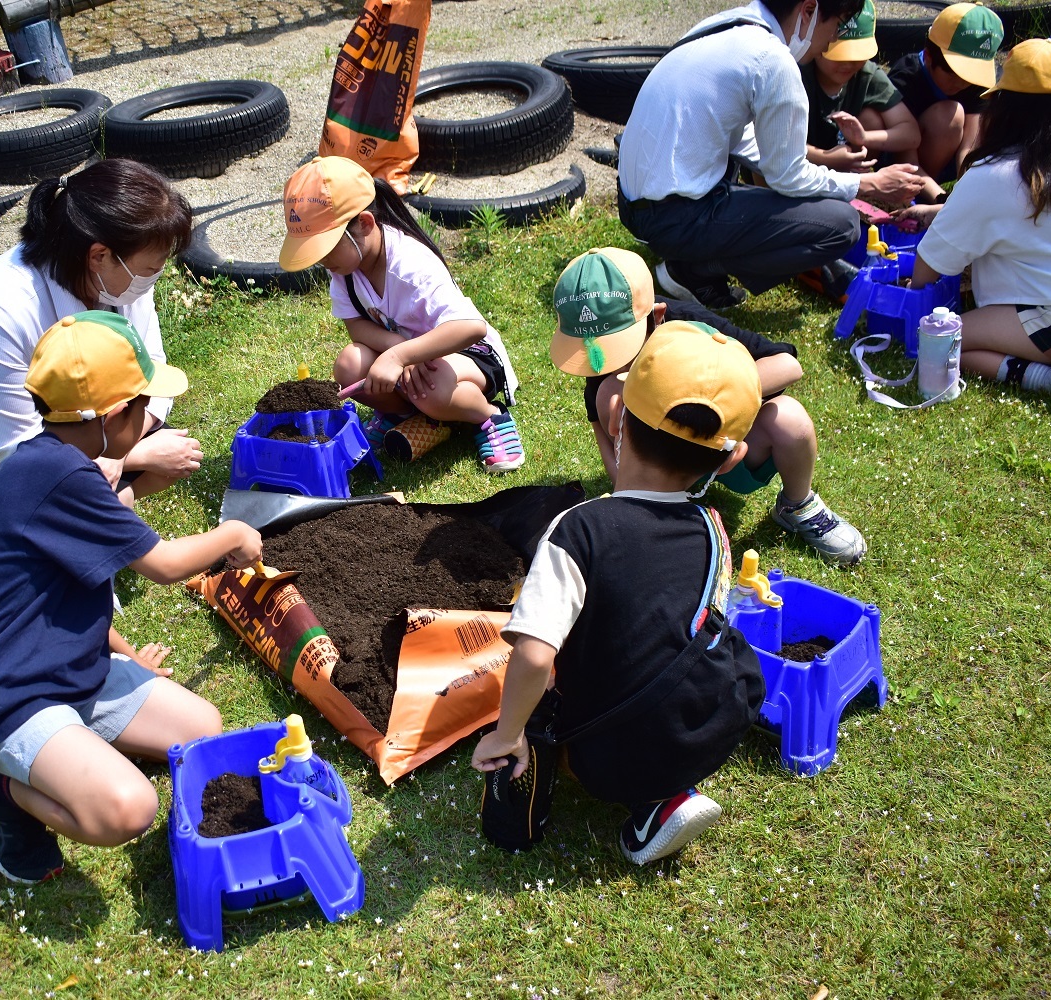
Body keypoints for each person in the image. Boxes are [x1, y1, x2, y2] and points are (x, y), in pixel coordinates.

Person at [0, 312, 264, 883]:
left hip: (62, 664)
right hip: (3, 694)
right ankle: (1, 787)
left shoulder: (58, 462)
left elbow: (66, 589)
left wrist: (130, 660)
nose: (151, 419)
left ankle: (72, 749)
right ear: (113, 418)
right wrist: (234, 534)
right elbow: (162, 566)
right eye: (145, 407)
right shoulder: (61, 480)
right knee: (129, 810)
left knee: (202, 730)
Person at [473, 321, 767, 865]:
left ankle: (653, 801)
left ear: (616, 418)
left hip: (610, 757)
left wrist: (506, 734)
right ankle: (678, 780)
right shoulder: (713, 526)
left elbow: (535, 655)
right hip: (718, 721)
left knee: (553, 707)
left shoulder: (579, 529)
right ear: (730, 458)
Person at [0, 159, 203, 524]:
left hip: (82, 424)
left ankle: (112, 500)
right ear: (99, 256)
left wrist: (122, 447)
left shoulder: (121, 276)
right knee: (59, 501)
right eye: (150, 269)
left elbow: (151, 369)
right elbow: (21, 452)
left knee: (113, 470)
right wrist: (134, 456)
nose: (155, 277)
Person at [553, 247, 866, 564]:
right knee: (609, 392)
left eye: (621, 348)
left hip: (719, 446)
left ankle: (797, 505)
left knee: (790, 419)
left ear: (658, 316)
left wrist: (708, 393)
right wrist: (625, 500)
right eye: (596, 354)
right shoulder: (604, 375)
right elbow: (607, 449)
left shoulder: (691, 322)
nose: (606, 364)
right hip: (655, 460)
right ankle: (657, 507)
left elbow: (788, 365)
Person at [617, 0, 925, 310]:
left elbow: (745, 141)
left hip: (634, 205)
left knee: (803, 201)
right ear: (808, 10)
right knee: (841, 225)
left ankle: (692, 257)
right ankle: (691, 271)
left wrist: (822, 166)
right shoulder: (773, 59)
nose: (834, 39)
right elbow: (787, 178)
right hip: (670, 217)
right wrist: (868, 184)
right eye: (840, 24)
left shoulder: (729, 25)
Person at [276, 155, 525, 472]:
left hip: (466, 356)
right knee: (349, 364)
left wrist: (398, 357)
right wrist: (397, 348)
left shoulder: (411, 267)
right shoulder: (344, 270)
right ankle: (403, 416)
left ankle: (488, 416)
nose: (320, 260)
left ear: (364, 224)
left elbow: (470, 328)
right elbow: (356, 327)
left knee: (431, 391)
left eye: (324, 248)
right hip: (411, 358)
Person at [898, 38, 1051, 403]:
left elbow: (929, 265)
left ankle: (1050, 381)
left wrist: (911, 292)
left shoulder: (993, 174)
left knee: (940, 341)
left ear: (1006, 107)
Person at [886, 1, 1004, 189]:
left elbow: (970, 148)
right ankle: (916, 193)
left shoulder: (976, 83)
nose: (962, 83)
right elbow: (905, 157)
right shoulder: (907, 78)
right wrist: (939, 198)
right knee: (949, 114)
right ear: (930, 56)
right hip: (901, 164)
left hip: (943, 162)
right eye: (952, 74)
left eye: (970, 76)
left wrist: (966, 192)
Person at [801, 0, 921, 178]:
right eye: (839, 55)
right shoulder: (798, 73)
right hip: (795, 166)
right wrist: (824, 158)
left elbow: (910, 134)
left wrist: (864, 138)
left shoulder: (866, 74)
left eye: (857, 54)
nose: (849, 63)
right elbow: (772, 142)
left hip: (845, 167)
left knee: (871, 119)